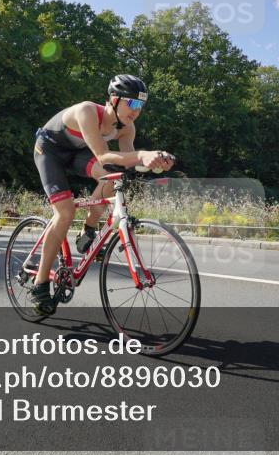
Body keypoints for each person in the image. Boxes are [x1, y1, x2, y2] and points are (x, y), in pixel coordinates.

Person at [31, 74, 175, 316]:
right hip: (50, 151)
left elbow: (126, 162)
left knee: (116, 175)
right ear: (114, 99)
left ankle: (87, 229)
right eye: (133, 103)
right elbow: (105, 157)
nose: (137, 111)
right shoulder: (87, 111)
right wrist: (142, 155)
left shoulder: (127, 128)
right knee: (64, 213)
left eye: (141, 105)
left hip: (77, 153)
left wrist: (156, 161)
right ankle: (40, 283)